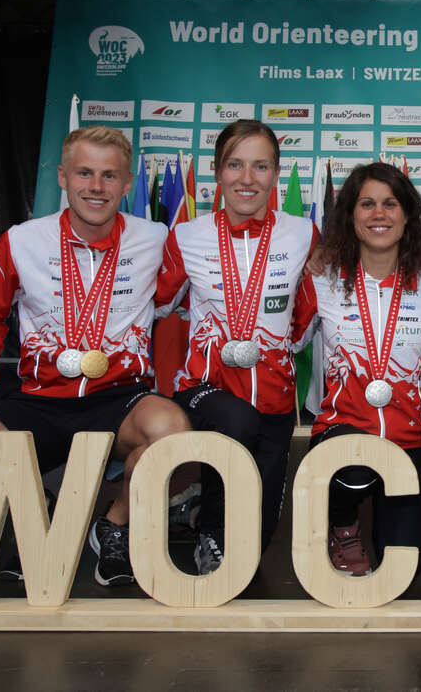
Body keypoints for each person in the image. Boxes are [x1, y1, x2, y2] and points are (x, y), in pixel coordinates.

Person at [0, 125, 191, 586]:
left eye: (110, 176)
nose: (97, 187)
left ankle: (112, 525)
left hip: (119, 398)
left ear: (128, 183)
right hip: (39, 398)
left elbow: (196, 293)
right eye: (85, 173)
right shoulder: (21, 240)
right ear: (62, 177)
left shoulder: (156, 239)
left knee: (174, 436)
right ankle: (34, 510)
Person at [155, 120, 318, 574]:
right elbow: (158, 303)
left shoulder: (302, 233)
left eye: (260, 166)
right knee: (235, 420)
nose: (248, 178)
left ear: (276, 173)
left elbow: (310, 306)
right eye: (236, 165)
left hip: (275, 395)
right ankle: (209, 525)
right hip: (205, 389)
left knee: (257, 534)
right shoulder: (187, 235)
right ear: (217, 171)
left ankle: (194, 507)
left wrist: (280, 343)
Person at [293, 162, 421, 575]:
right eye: (367, 204)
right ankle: (343, 525)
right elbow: (285, 340)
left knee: (406, 568)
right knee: (351, 473)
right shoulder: (322, 279)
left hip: (411, 435)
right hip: (344, 427)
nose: (379, 214)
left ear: (407, 214)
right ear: (350, 215)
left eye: (390, 204)